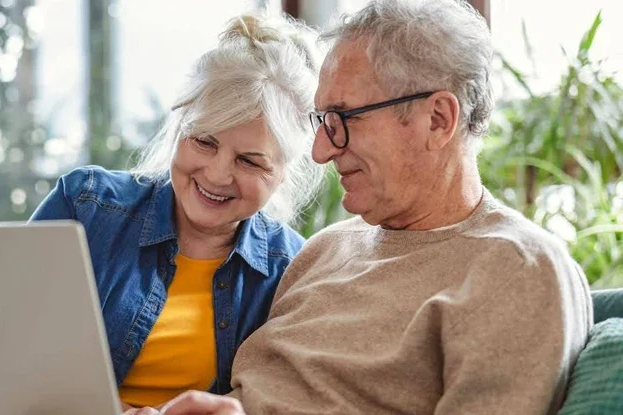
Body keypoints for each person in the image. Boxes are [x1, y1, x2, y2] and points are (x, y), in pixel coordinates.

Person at [155, 1, 594, 414]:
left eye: (343, 119)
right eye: (321, 121)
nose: (322, 152)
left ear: (438, 119)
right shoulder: (325, 249)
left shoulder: (516, 269)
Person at [29, 10, 325, 413]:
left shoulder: (292, 269)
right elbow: (8, 347)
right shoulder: (84, 206)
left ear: (284, 172)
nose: (217, 175)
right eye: (204, 141)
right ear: (180, 126)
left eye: (249, 161)